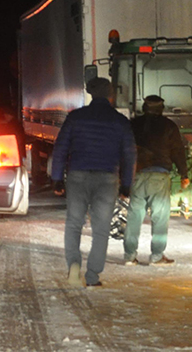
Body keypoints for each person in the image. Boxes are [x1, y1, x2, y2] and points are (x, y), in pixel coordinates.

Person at [51, 77, 136, 287]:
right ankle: (93, 276)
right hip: (107, 178)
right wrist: (126, 184)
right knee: (101, 229)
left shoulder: (76, 118)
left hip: (78, 175)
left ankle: (73, 265)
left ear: (90, 93)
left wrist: (57, 179)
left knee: (73, 224)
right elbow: (130, 153)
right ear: (110, 95)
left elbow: (60, 148)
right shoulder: (120, 121)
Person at [123, 95, 189, 266]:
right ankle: (157, 256)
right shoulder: (169, 126)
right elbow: (178, 151)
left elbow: (125, 150)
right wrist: (184, 174)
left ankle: (130, 256)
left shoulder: (133, 124)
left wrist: (124, 176)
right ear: (161, 109)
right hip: (159, 176)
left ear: (144, 107)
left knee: (134, 216)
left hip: (137, 175)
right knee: (160, 217)